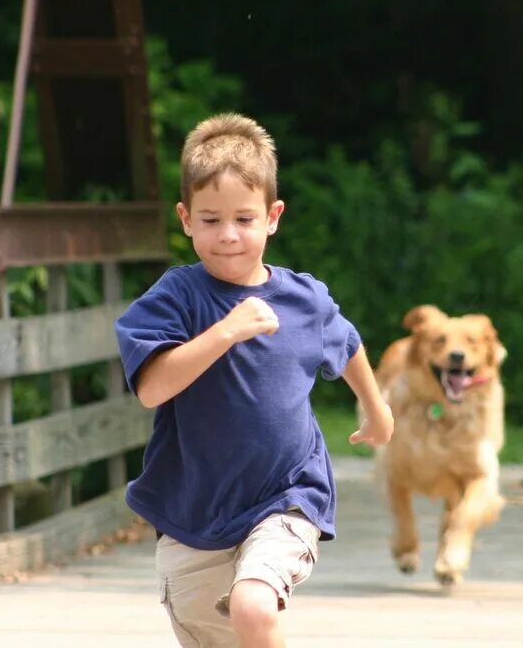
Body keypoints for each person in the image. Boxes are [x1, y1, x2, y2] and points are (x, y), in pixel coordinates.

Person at [114, 112, 394, 647]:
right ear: (185, 219)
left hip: (287, 494)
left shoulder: (304, 299)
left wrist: (375, 408)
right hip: (193, 510)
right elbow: (152, 388)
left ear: (272, 217)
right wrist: (224, 332)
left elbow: (347, 341)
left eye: (244, 219)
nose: (228, 236)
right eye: (211, 219)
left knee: (254, 607)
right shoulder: (176, 298)